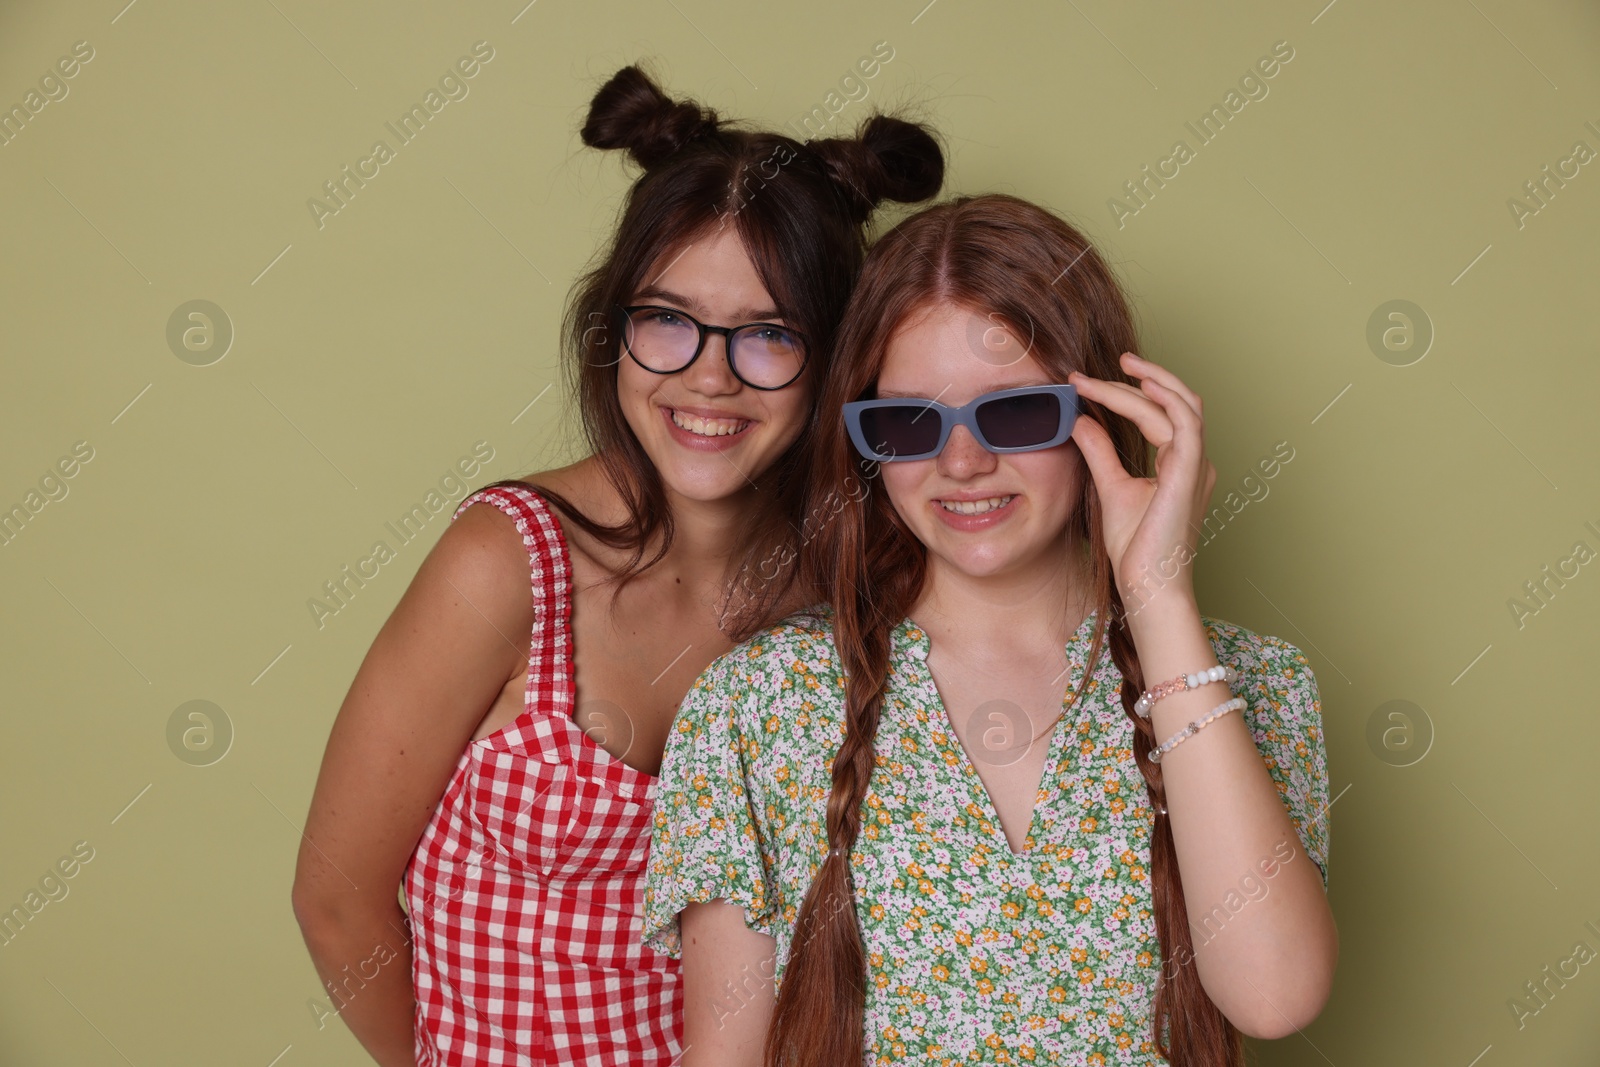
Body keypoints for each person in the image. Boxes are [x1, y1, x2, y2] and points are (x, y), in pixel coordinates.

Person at [290, 64, 943, 1066]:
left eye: (769, 334)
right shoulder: (507, 558)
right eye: (666, 320)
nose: (708, 376)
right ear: (614, 327)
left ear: (833, 358)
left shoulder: (847, 586)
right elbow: (336, 901)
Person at [642, 193, 1337, 1066]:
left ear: (1104, 414)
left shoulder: (1250, 679)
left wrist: (1158, 598)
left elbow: (1274, 994)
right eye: (908, 422)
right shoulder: (758, 704)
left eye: (1014, 412)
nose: (962, 462)